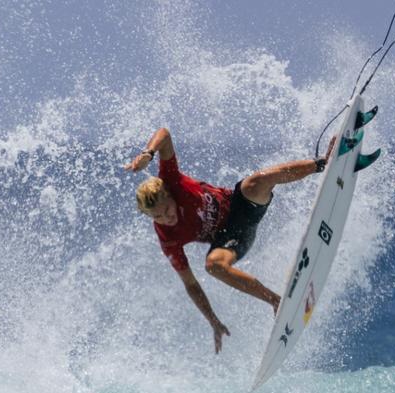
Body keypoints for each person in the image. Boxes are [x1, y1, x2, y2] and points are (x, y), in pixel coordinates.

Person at [124, 128, 335, 354]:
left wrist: (148, 153)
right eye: (157, 216)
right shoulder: (168, 238)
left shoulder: (171, 181)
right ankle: (277, 302)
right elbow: (191, 284)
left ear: (169, 196)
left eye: (166, 209)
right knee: (213, 265)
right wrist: (213, 321)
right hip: (232, 239)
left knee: (254, 182)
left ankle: (323, 163)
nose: (166, 218)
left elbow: (164, 135)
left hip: (240, 207)